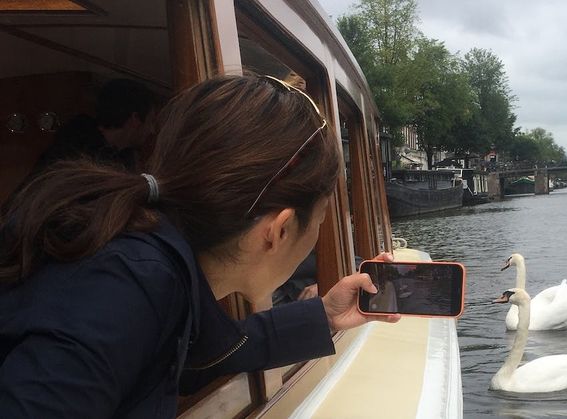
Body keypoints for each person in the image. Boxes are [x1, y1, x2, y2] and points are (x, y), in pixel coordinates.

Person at [0, 74, 399, 418]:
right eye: (324, 215)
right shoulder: (122, 291)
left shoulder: (156, 274)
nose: (321, 230)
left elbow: (198, 357)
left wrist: (324, 316)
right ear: (279, 229)